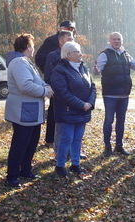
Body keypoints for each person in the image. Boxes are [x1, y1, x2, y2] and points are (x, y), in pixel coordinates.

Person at [4, 34, 54, 188]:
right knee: (20, 143)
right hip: (23, 110)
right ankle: (12, 175)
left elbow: (36, 82)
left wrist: (45, 86)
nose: (33, 49)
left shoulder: (26, 62)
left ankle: (25, 169)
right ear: (27, 47)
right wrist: (45, 91)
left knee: (31, 141)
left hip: (31, 110)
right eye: (32, 46)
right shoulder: (19, 62)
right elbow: (25, 85)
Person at [50, 42, 96, 177]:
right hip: (68, 111)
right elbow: (62, 92)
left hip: (83, 111)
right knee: (66, 138)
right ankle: (60, 165)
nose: (81, 54)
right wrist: (81, 104)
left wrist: (90, 103)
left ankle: (75, 165)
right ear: (69, 54)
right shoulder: (59, 69)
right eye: (78, 52)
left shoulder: (84, 68)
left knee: (77, 139)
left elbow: (92, 87)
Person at [35, 20, 76, 148]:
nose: (70, 30)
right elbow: (40, 58)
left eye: (72, 29)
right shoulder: (52, 41)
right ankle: (50, 139)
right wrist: (50, 72)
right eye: (67, 28)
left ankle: (65, 141)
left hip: (70, 84)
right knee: (54, 111)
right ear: (60, 29)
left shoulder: (73, 43)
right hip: (55, 83)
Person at [44, 31, 74, 156]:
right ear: (61, 41)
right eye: (69, 38)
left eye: (73, 38)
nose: (72, 41)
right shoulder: (52, 55)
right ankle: (59, 152)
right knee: (59, 126)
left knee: (73, 123)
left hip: (73, 96)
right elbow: (48, 77)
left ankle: (73, 150)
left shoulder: (74, 55)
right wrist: (60, 91)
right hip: (59, 96)